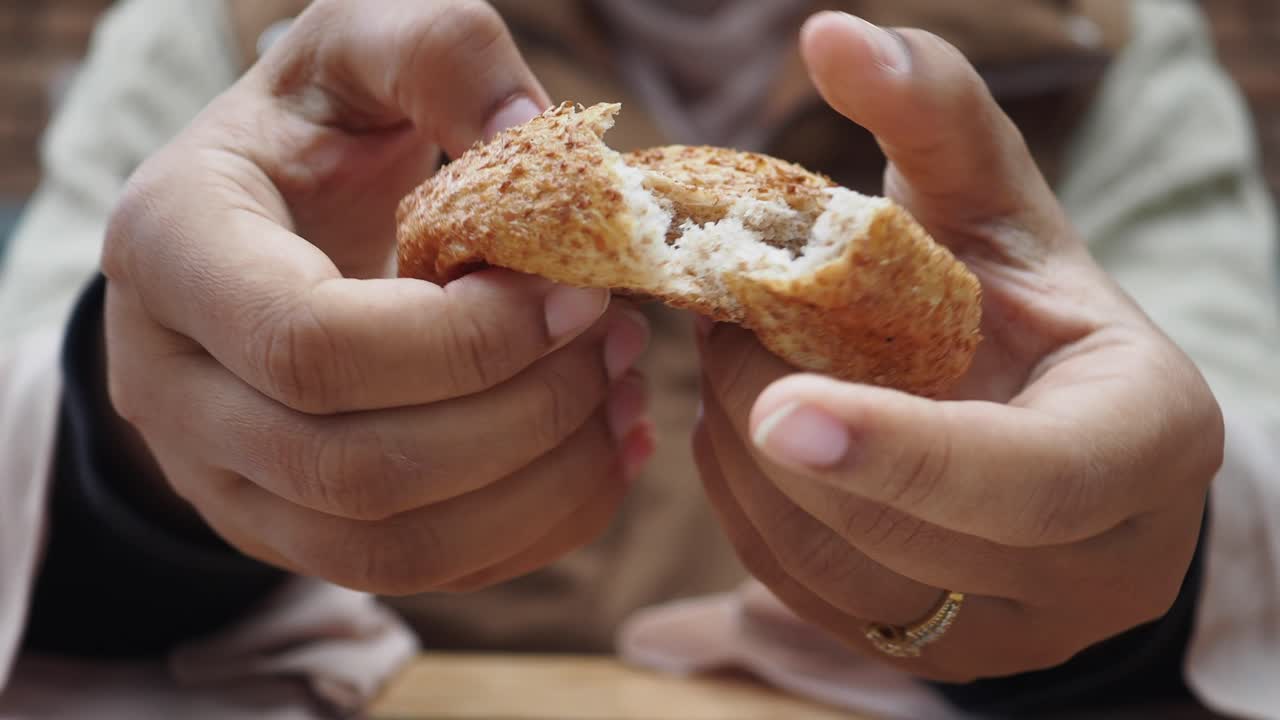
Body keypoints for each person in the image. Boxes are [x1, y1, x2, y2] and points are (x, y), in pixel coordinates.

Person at [0, 0, 1277, 718]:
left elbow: (1238, 436)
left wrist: (1123, 555)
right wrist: (137, 454)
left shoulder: (1097, 29)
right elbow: (24, 398)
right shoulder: (229, 20)